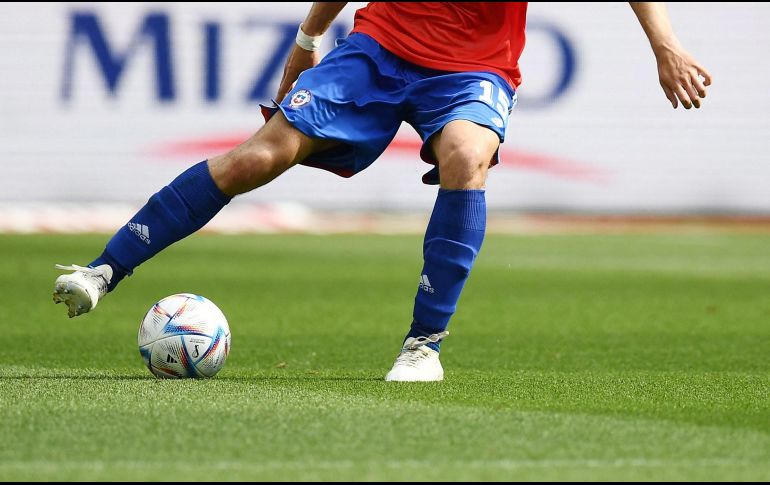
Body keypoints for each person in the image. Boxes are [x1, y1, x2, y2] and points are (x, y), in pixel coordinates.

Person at [52, 2, 712, 381]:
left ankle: (424, 346)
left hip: (474, 67)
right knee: (261, 155)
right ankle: (103, 269)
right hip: (379, 46)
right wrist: (309, 39)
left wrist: (667, 46)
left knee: (466, 154)